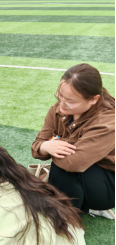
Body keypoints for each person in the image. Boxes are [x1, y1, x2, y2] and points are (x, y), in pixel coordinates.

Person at [32, 64, 115, 220]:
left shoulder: (108, 121)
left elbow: (74, 162)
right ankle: (77, 207)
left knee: (62, 167)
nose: (62, 102)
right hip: (88, 171)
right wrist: (46, 146)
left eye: (70, 100)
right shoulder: (58, 109)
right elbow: (36, 147)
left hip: (109, 181)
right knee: (61, 162)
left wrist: (55, 147)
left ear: (94, 99)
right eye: (59, 94)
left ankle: (69, 222)